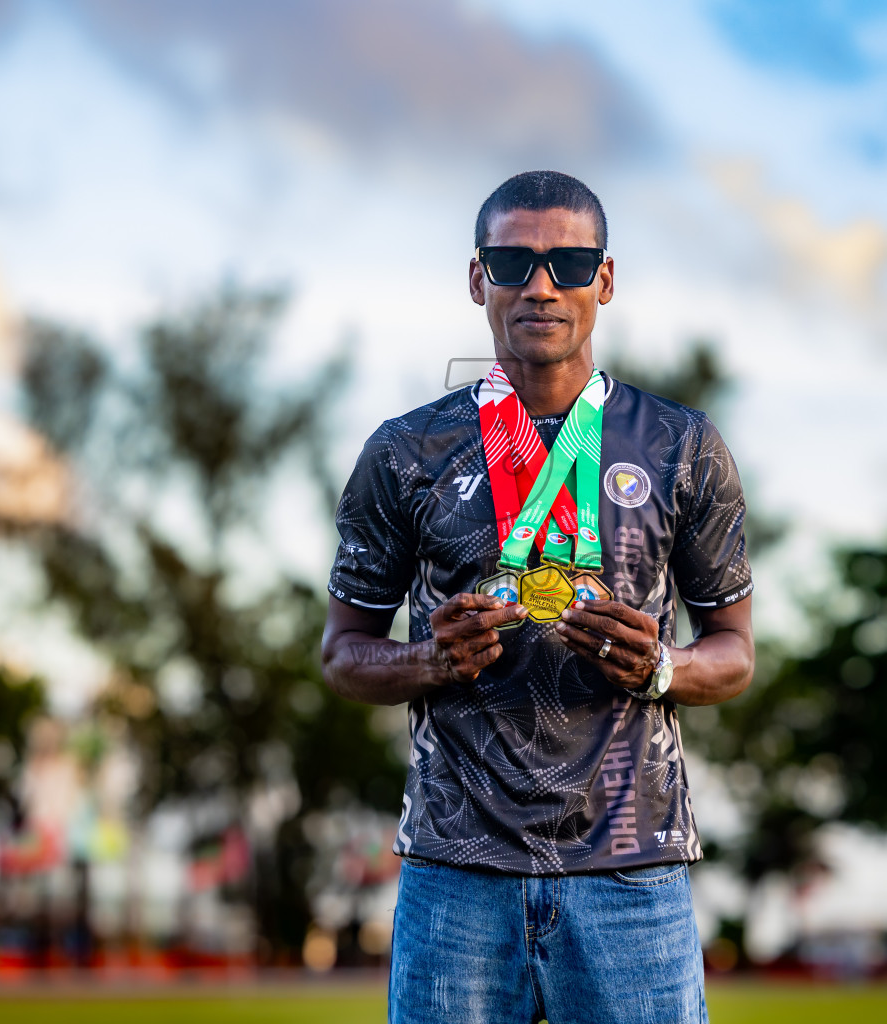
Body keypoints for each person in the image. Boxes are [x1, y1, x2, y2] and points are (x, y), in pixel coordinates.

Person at [321, 170, 755, 1024]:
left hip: (630, 866)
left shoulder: (682, 446)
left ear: (607, 277)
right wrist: (426, 659)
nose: (541, 285)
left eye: (569, 260)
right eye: (513, 261)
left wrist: (662, 665)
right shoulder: (407, 450)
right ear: (478, 277)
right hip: (458, 871)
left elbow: (734, 652)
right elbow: (342, 653)